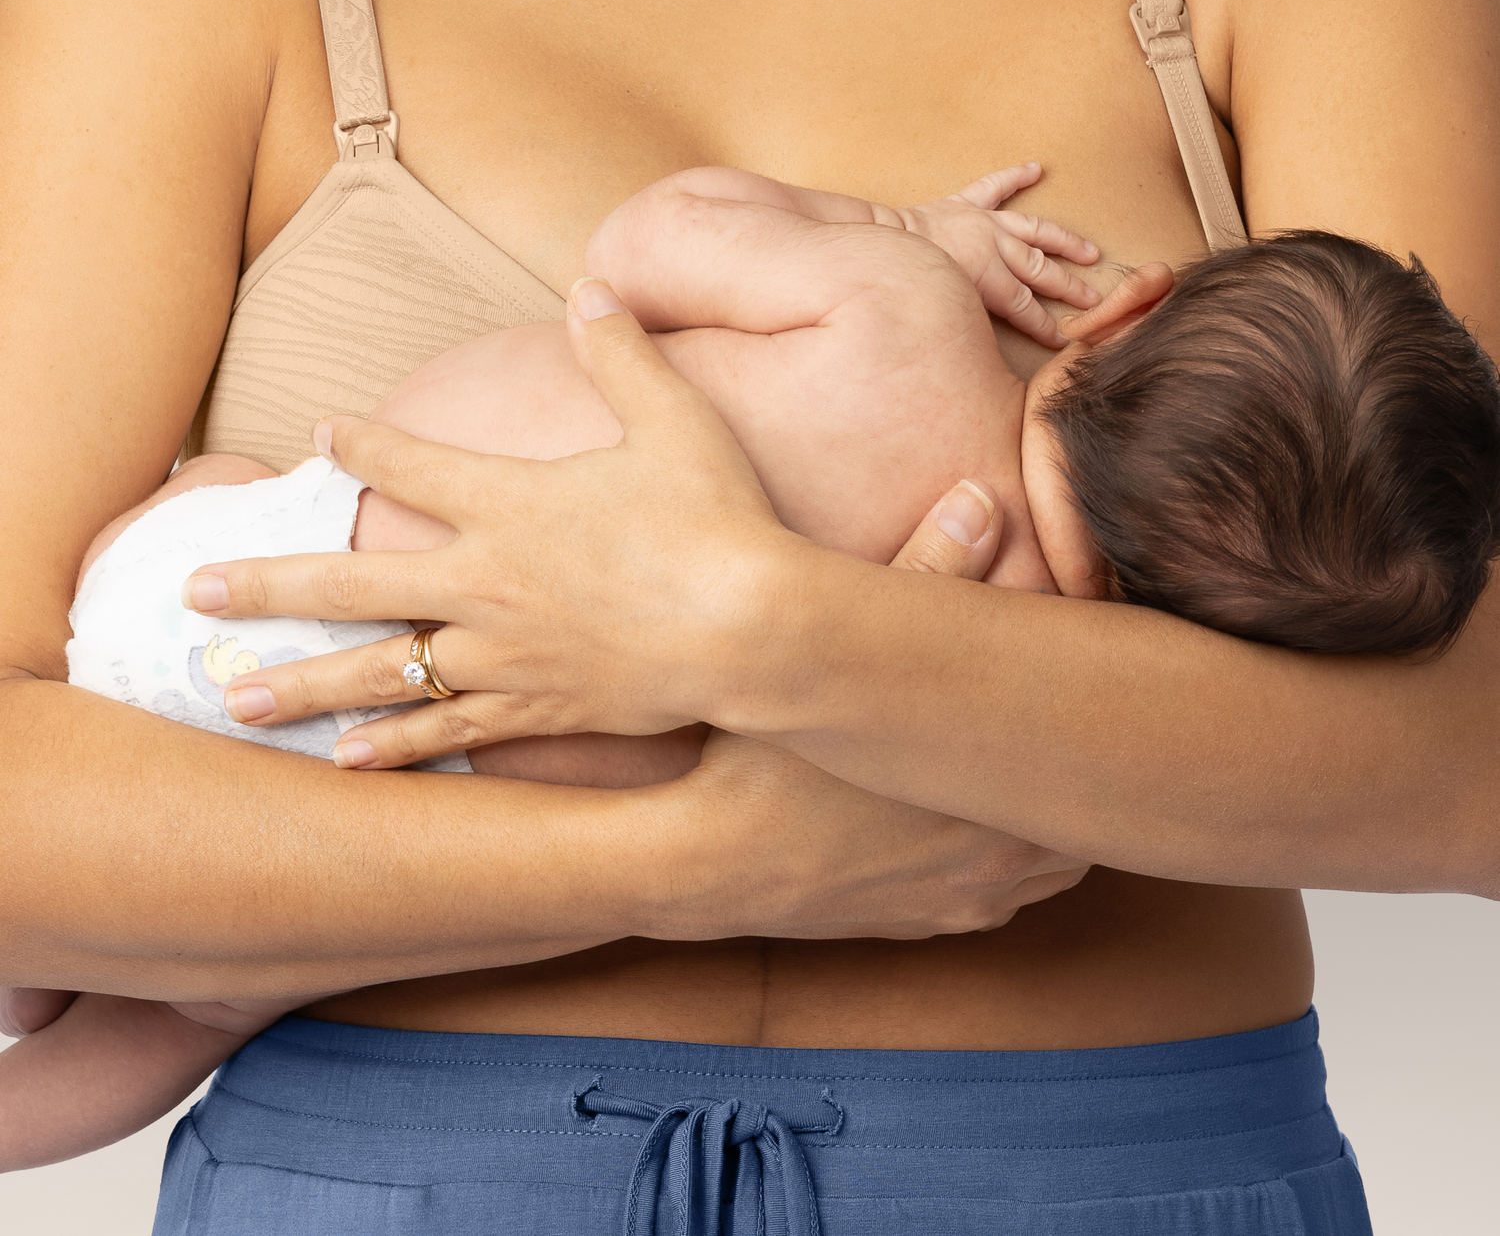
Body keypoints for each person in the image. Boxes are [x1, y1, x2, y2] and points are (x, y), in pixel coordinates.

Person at [5, 0, 1497, 1228]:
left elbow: (1466, 754)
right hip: (402, 1177)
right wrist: (696, 856)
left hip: (1105, 1170)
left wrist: (761, 632)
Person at [7, 151, 1499, 1175]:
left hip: (239, 570)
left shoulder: (896, 316)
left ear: (1124, 307)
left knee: (217, 483)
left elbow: (645, 243)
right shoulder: (1052, 675)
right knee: (183, 1018)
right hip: (398, 795)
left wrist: (899, 228)